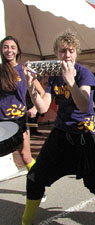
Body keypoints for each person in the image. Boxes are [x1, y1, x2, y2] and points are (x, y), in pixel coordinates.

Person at [22, 30, 95, 225]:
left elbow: (84, 105)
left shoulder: (83, 74)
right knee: (35, 177)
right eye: (62, 51)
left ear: (76, 53)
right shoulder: (55, 75)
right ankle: (25, 221)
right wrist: (31, 85)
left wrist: (70, 80)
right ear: (57, 53)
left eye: (71, 51)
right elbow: (43, 107)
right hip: (61, 133)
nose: (67, 55)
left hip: (83, 134)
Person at [0, 36, 37, 171]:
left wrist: (35, 108)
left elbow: (40, 92)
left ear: (17, 51)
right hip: (1, 120)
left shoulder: (25, 70)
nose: (9, 50)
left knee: (25, 156)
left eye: (12, 47)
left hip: (19, 120)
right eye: (5, 47)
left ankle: (37, 187)